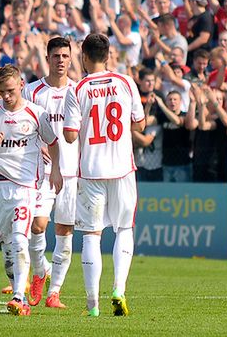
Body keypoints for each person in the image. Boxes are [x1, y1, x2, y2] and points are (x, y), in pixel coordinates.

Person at [63, 33, 145, 317]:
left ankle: (92, 304)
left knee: (91, 235)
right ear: (108, 55)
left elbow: (71, 135)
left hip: (91, 171)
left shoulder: (78, 89)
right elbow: (140, 122)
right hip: (122, 168)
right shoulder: (125, 82)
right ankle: (119, 290)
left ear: (83, 56)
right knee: (124, 229)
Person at [0, 65, 62, 316]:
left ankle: (19, 298)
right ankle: (22, 281)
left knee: (22, 239)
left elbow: (53, 142)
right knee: (7, 247)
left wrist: (55, 171)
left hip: (25, 187)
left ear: (21, 84)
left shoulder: (36, 113)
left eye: (10, 90)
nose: (6, 96)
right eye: (1, 91)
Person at [22, 37, 77, 309]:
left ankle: (54, 292)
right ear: (47, 58)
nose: (61, 60)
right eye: (56, 56)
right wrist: (38, 143)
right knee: (37, 225)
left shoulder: (79, 92)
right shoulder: (32, 91)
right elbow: (21, 125)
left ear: (71, 58)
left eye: (65, 56)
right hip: (42, 172)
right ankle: (40, 271)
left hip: (72, 173)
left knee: (65, 231)